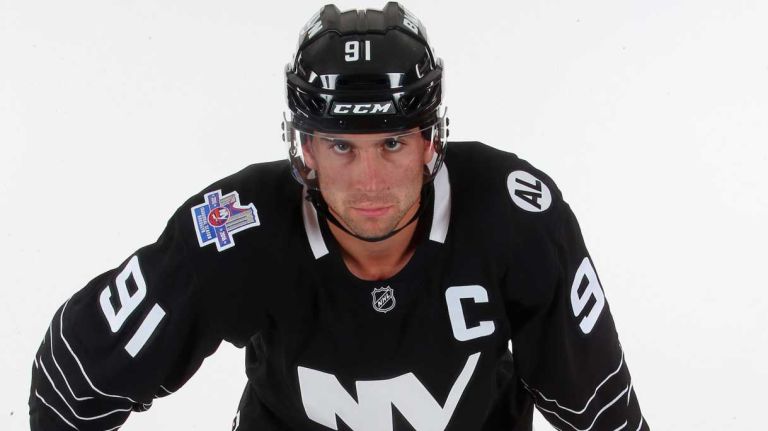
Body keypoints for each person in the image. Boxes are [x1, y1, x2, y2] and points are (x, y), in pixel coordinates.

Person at [28, 3, 648, 430]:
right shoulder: (235, 229)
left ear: (434, 140)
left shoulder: (518, 216)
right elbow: (72, 382)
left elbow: (601, 413)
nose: (370, 183)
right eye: (342, 146)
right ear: (304, 148)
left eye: (394, 144)